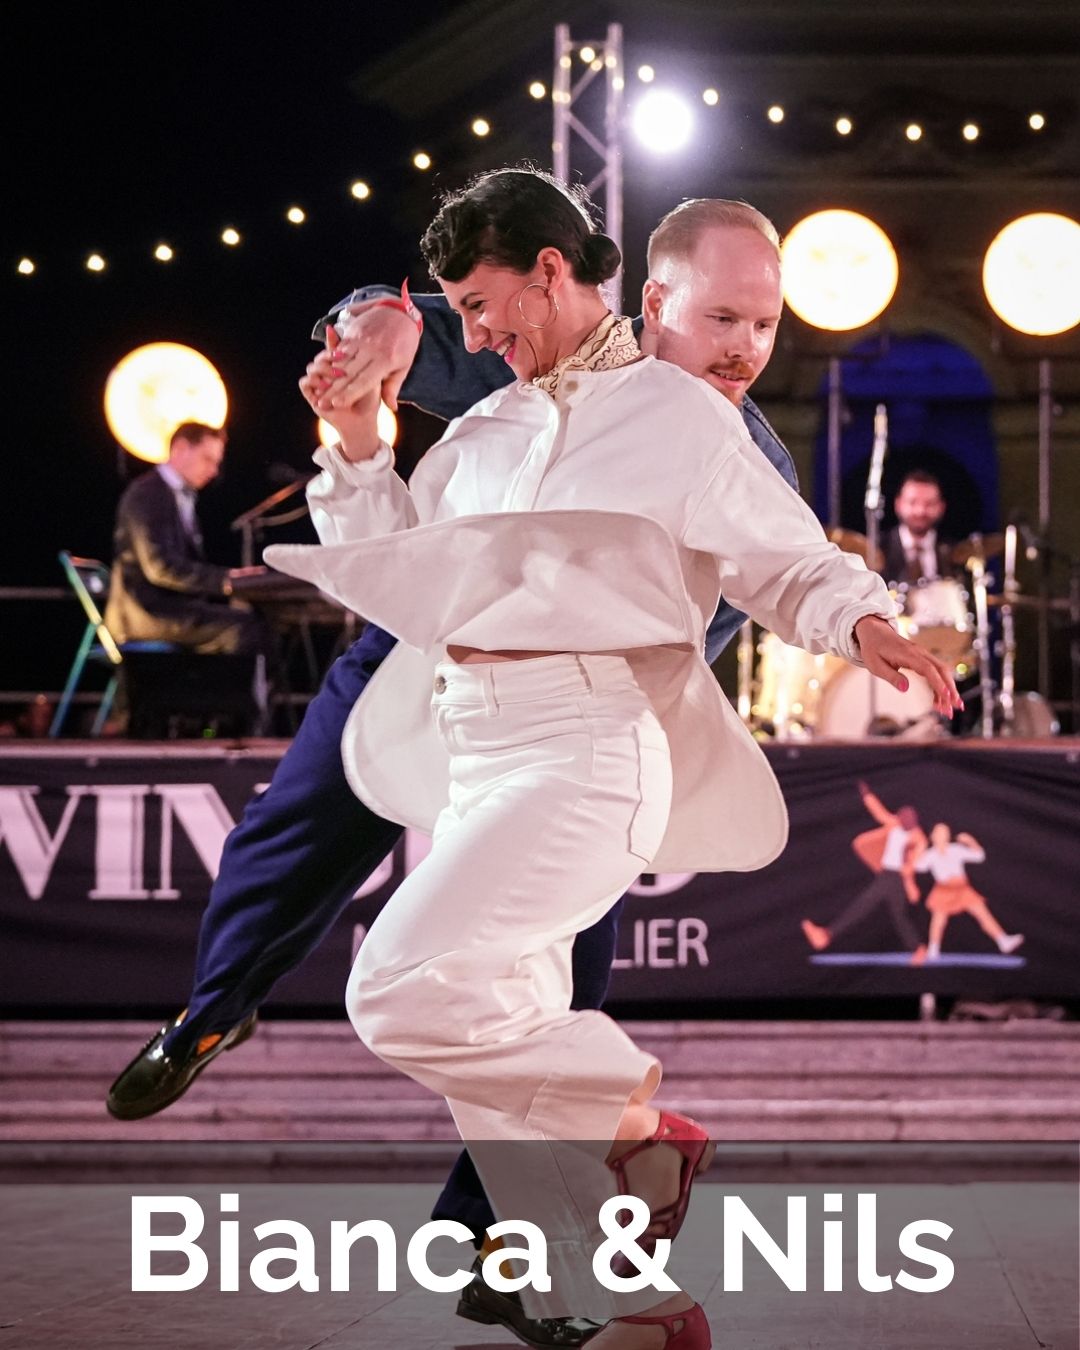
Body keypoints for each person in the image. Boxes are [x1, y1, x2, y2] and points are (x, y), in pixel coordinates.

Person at [103, 193, 941, 1347]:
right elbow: (389, 571)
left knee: (397, 984)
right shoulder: (488, 424)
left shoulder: (689, 420)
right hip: (473, 748)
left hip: (588, 748)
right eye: (460, 316)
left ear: (551, 272)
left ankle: (630, 1125)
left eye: (486, 310)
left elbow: (788, 562)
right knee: (489, 1039)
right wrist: (356, 440)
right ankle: (628, 1308)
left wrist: (865, 623)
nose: (478, 335)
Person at [104, 422, 273, 659]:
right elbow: (160, 567)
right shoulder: (147, 493)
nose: (214, 471)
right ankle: (226, 696)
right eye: (207, 459)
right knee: (245, 627)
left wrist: (228, 579)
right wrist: (225, 580)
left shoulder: (176, 495)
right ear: (181, 448)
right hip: (144, 614)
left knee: (253, 620)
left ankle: (222, 694)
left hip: (168, 609)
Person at [800, 780, 929, 962]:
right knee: (898, 916)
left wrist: (909, 883)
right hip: (887, 874)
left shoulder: (919, 839)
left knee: (863, 905)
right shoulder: (894, 824)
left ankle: (827, 935)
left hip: (894, 877)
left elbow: (912, 864)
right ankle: (918, 949)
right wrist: (867, 795)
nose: (901, 824)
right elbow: (879, 812)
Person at [911, 824, 1024, 961]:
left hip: (962, 889)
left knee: (982, 913)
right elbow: (918, 867)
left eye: (945, 832)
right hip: (943, 891)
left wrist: (970, 841)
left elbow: (979, 856)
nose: (943, 835)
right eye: (939, 832)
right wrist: (919, 850)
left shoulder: (956, 849)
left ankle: (1003, 941)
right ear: (933, 836)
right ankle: (934, 949)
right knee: (938, 921)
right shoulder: (930, 854)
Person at [881, 469, 956, 586]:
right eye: (912, 502)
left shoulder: (953, 550)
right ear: (898, 504)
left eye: (929, 504)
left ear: (941, 507)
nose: (920, 511)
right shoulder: (878, 548)